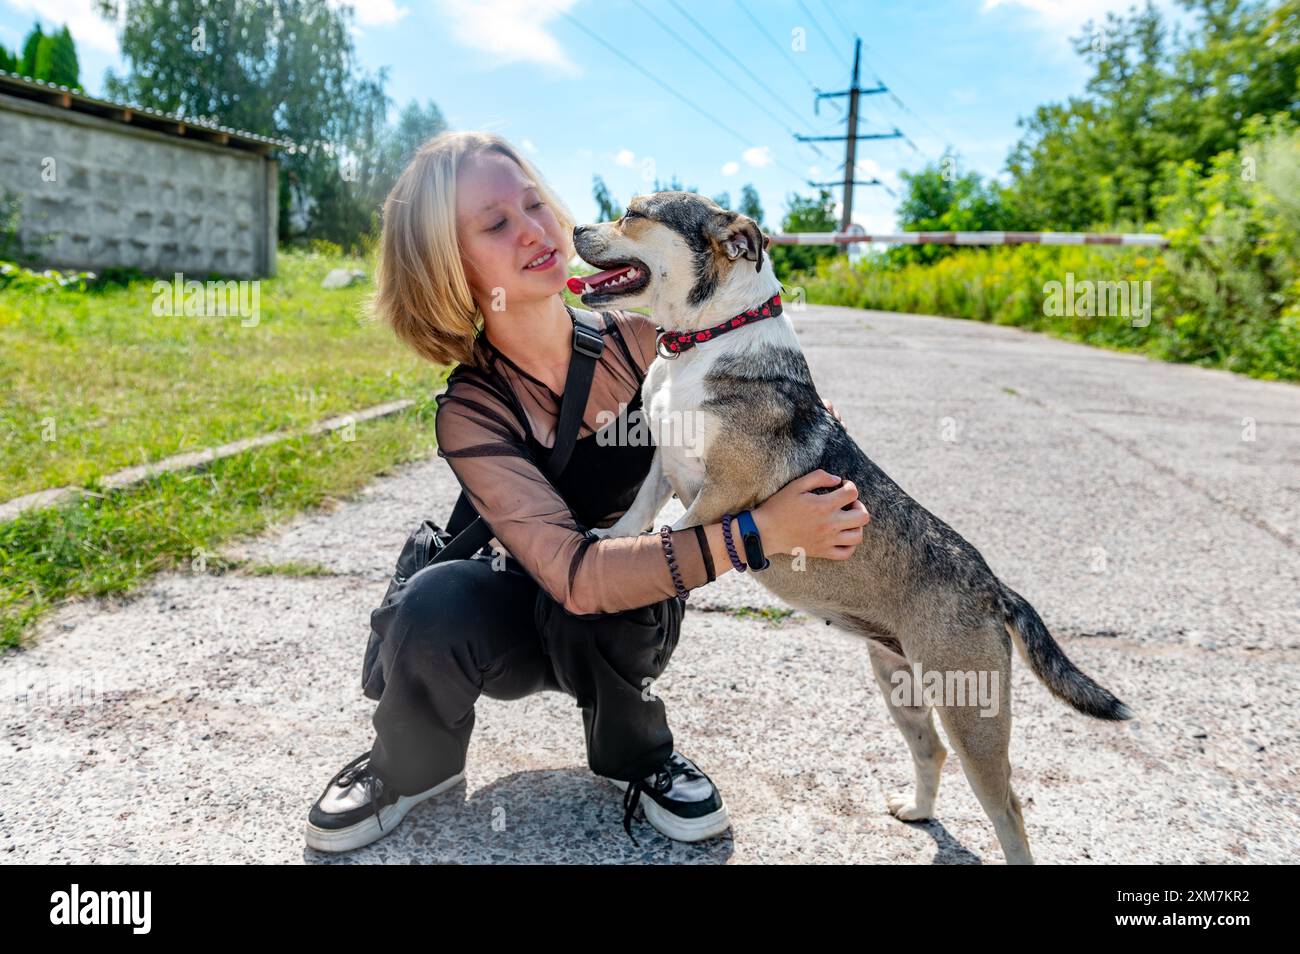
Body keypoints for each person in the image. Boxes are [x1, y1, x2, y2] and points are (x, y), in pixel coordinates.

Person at [304, 130, 873, 853]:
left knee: (619, 583)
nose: (539, 231)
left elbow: (759, 411)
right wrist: (757, 534)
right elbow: (570, 573)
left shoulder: (648, 341)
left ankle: (635, 752)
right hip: (507, 624)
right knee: (433, 602)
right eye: (495, 223)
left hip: (616, 629)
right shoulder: (471, 409)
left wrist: (802, 443)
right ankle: (410, 766)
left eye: (535, 203)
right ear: (451, 268)